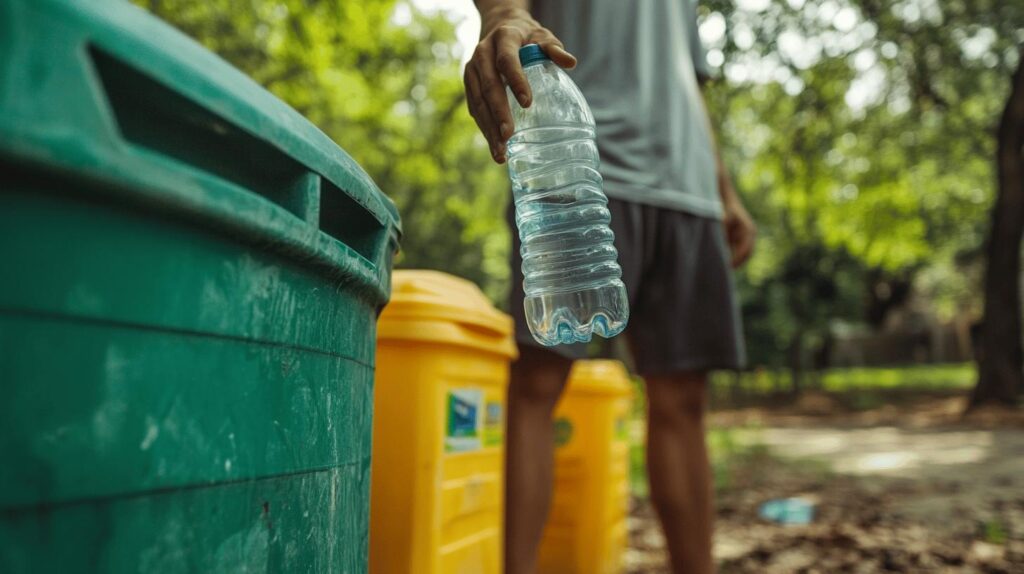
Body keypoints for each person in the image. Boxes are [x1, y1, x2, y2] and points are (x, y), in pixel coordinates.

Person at [464, 1, 756, 572]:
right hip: (581, 165)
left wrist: (725, 191)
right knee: (537, 385)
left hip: (686, 183)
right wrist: (501, 16)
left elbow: (687, 80)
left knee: (685, 399)